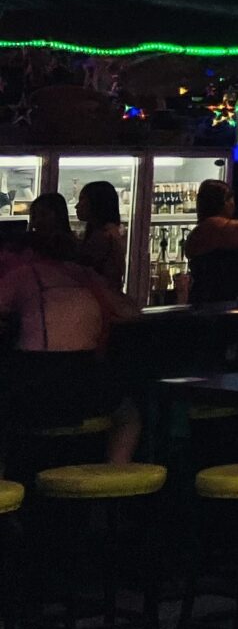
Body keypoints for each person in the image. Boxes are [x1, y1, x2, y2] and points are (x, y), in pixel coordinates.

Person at [0, 192, 141, 463]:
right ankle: (112, 483)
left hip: (32, 374)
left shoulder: (22, 274)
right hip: (83, 374)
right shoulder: (85, 275)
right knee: (128, 414)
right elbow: (130, 311)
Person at [179, 178, 238, 307]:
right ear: (224, 202)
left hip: (199, 302)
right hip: (230, 301)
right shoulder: (235, 228)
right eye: (231, 199)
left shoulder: (194, 235)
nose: (234, 204)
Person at [72, 180, 126, 296]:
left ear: (96, 203)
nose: (77, 206)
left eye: (82, 200)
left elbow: (82, 271)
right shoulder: (110, 232)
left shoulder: (103, 237)